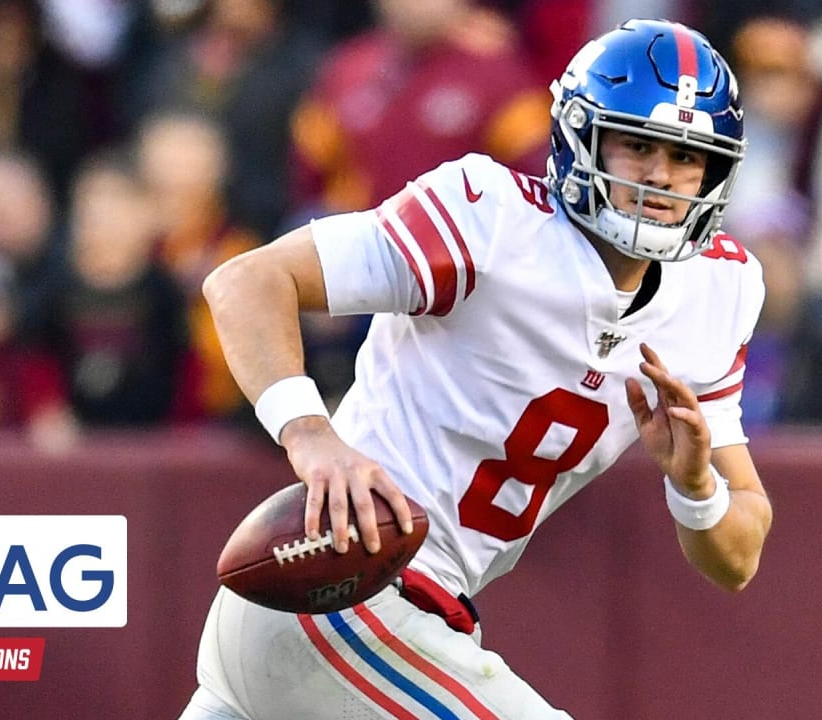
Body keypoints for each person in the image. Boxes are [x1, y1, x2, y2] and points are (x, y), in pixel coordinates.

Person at [181, 19, 773, 719]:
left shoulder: (720, 289)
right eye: (637, 145)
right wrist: (310, 436)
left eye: (685, 156)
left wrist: (695, 485)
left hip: (382, 623)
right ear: (581, 137)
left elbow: (737, 558)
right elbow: (247, 281)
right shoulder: (490, 220)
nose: (660, 177)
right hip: (343, 591)